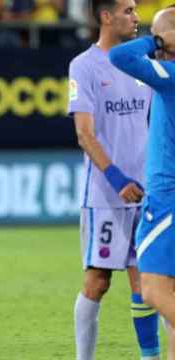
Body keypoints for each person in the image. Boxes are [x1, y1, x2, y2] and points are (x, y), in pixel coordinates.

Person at [67, 1, 160, 359]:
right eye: (128, 10)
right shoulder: (85, 66)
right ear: (106, 16)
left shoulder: (142, 65)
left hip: (146, 191)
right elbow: (85, 134)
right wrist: (118, 177)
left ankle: (149, 357)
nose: (136, 17)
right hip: (106, 194)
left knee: (147, 283)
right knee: (98, 281)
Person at [109, 6, 175, 359]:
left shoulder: (170, 75)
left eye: (158, 33)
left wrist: (156, 39)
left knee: (152, 291)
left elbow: (120, 55)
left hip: (167, 198)